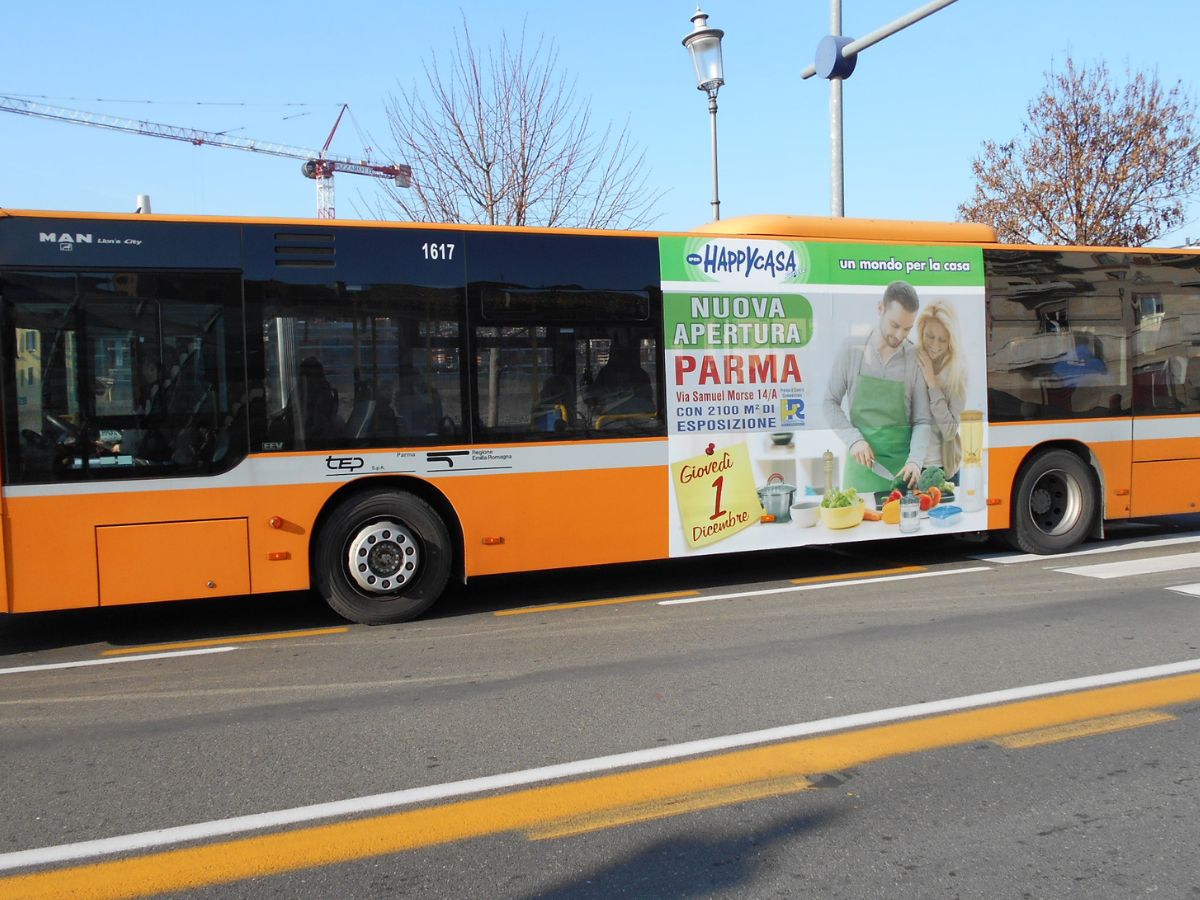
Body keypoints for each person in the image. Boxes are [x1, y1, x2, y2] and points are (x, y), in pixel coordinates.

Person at [822, 280, 932, 493]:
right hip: (861, 473)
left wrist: (915, 461)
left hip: (903, 476)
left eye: (907, 328)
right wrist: (854, 440)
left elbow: (922, 420)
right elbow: (829, 402)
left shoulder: (915, 358)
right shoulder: (851, 350)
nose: (900, 335)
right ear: (880, 309)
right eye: (895, 325)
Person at [915, 300, 967, 478]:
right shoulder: (912, 360)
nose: (935, 345)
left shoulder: (957, 373)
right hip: (913, 467)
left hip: (943, 469)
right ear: (921, 331)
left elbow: (950, 431)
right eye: (930, 336)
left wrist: (932, 383)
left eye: (942, 340)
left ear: (950, 341)